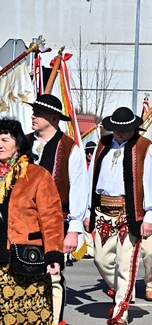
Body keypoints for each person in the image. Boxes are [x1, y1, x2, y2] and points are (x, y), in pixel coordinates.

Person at [85, 107, 152, 324]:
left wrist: (149, 215)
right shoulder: (102, 145)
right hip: (102, 211)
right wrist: (87, 210)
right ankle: (123, 290)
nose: (119, 134)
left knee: (125, 263)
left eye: (124, 130)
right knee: (101, 260)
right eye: (116, 130)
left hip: (128, 212)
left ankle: (121, 312)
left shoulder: (145, 147)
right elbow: (90, 178)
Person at [27, 95, 88, 325]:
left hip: (56, 222)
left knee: (52, 274)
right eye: (33, 111)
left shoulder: (70, 149)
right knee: (24, 271)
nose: (33, 115)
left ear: (53, 118)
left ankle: (54, 321)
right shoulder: (23, 143)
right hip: (24, 222)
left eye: (39, 112)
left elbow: (78, 190)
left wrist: (74, 228)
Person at [0, 118, 64, 324]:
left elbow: (51, 217)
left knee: (29, 317)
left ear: (18, 143)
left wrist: (54, 253)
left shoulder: (37, 175)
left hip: (24, 257)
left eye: (5, 139)